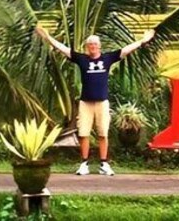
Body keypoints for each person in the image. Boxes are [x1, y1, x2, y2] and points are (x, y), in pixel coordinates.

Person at [35, 23, 155, 176]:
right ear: (87, 47)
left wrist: (143, 41)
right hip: (85, 103)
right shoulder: (81, 59)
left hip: (102, 103)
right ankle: (84, 163)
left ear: (99, 47)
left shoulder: (108, 58)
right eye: (90, 44)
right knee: (83, 134)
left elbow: (126, 49)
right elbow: (63, 49)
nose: (92, 47)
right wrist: (47, 37)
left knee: (103, 134)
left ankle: (104, 164)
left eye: (95, 44)